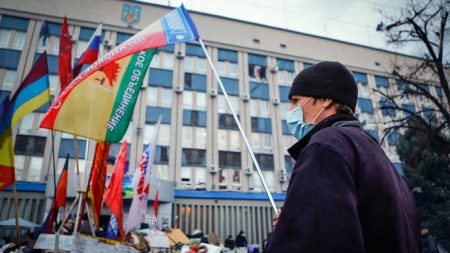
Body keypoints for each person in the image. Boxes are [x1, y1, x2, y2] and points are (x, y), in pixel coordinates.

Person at [267, 61, 421, 252]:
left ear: (325, 99)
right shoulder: (378, 156)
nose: (290, 110)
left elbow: (315, 243)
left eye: (295, 100)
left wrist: (293, 231)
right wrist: (295, 219)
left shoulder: (325, 147)